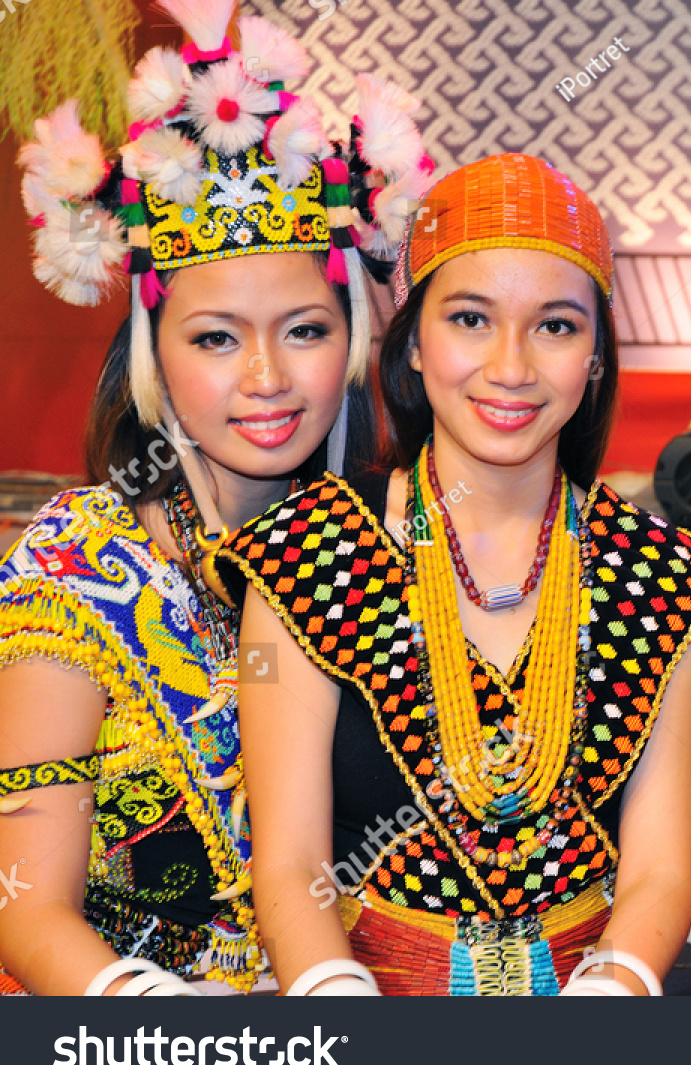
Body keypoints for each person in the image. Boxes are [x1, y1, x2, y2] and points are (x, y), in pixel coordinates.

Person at [0, 0, 429, 995]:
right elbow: (27, 901)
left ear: (356, 339)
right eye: (217, 338)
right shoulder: (81, 563)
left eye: (306, 331)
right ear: (156, 352)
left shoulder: (408, 541)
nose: (267, 377)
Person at [221, 153, 691, 997]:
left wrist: (612, 987)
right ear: (411, 345)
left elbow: (661, 870)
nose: (511, 367)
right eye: (471, 320)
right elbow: (292, 862)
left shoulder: (660, 571)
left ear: (596, 357)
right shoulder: (307, 549)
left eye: (557, 326)